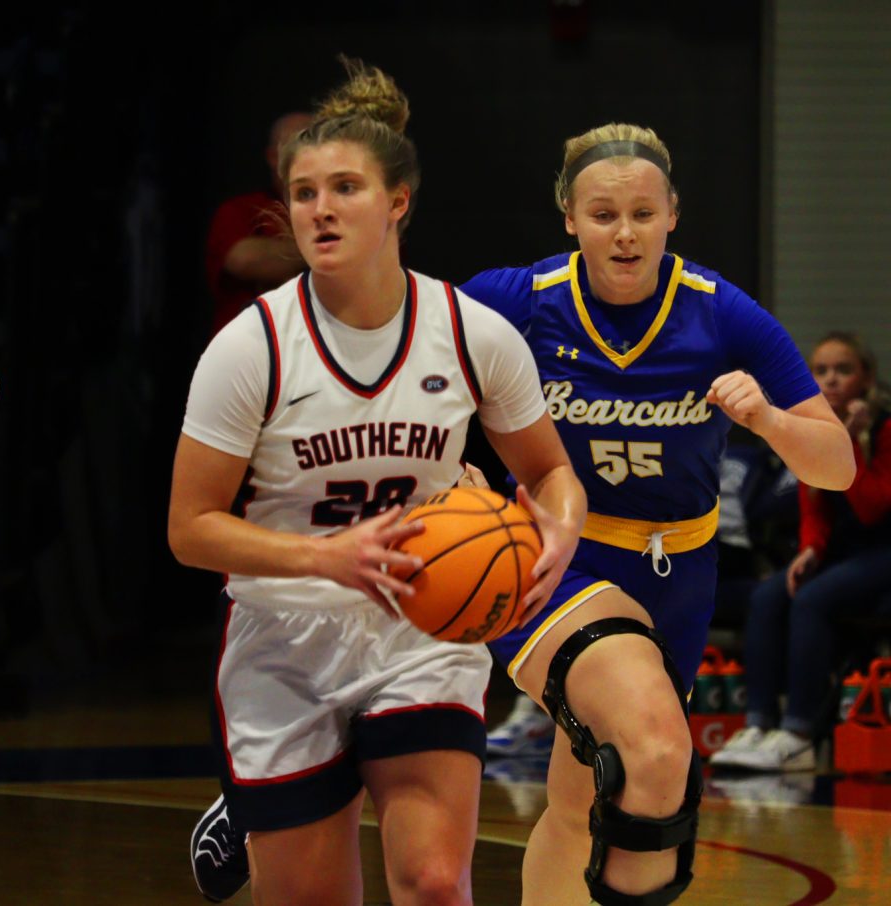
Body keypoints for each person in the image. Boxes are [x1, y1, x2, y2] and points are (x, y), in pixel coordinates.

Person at [172, 60, 584, 906]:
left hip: (422, 626)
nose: (321, 208)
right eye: (304, 191)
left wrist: (561, 529)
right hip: (286, 635)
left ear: (399, 201)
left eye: (346, 188)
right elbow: (191, 527)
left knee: (435, 880)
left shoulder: (474, 335)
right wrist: (329, 559)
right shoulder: (253, 347)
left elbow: (548, 471)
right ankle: (246, 808)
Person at [455, 124, 854, 904]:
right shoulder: (515, 300)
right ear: (569, 217)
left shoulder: (721, 313)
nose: (625, 232)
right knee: (660, 753)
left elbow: (835, 464)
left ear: (673, 213)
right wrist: (445, 470)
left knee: (579, 805)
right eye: (603, 214)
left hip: (681, 573)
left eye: (643, 212)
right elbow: (398, 364)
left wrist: (770, 421)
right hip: (554, 560)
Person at [711, 332, 891, 772]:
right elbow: (814, 499)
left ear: (866, 377)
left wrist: (852, 445)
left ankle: (798, 732)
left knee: (812, 600)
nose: (831, 380)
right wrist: (810, 548)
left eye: (843, 370)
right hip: (839, 552)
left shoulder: (884, 427)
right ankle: (758, 722)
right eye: (822, 371)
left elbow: (871, 508)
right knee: (769, 595)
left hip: (882, 549)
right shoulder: (819, 424)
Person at [204, 111, 312, 335]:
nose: (310, 156)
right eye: (299, 146)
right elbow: (243, 259)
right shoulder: (240, 210)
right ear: (273, 156)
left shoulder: (340, 211)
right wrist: (329, 248)